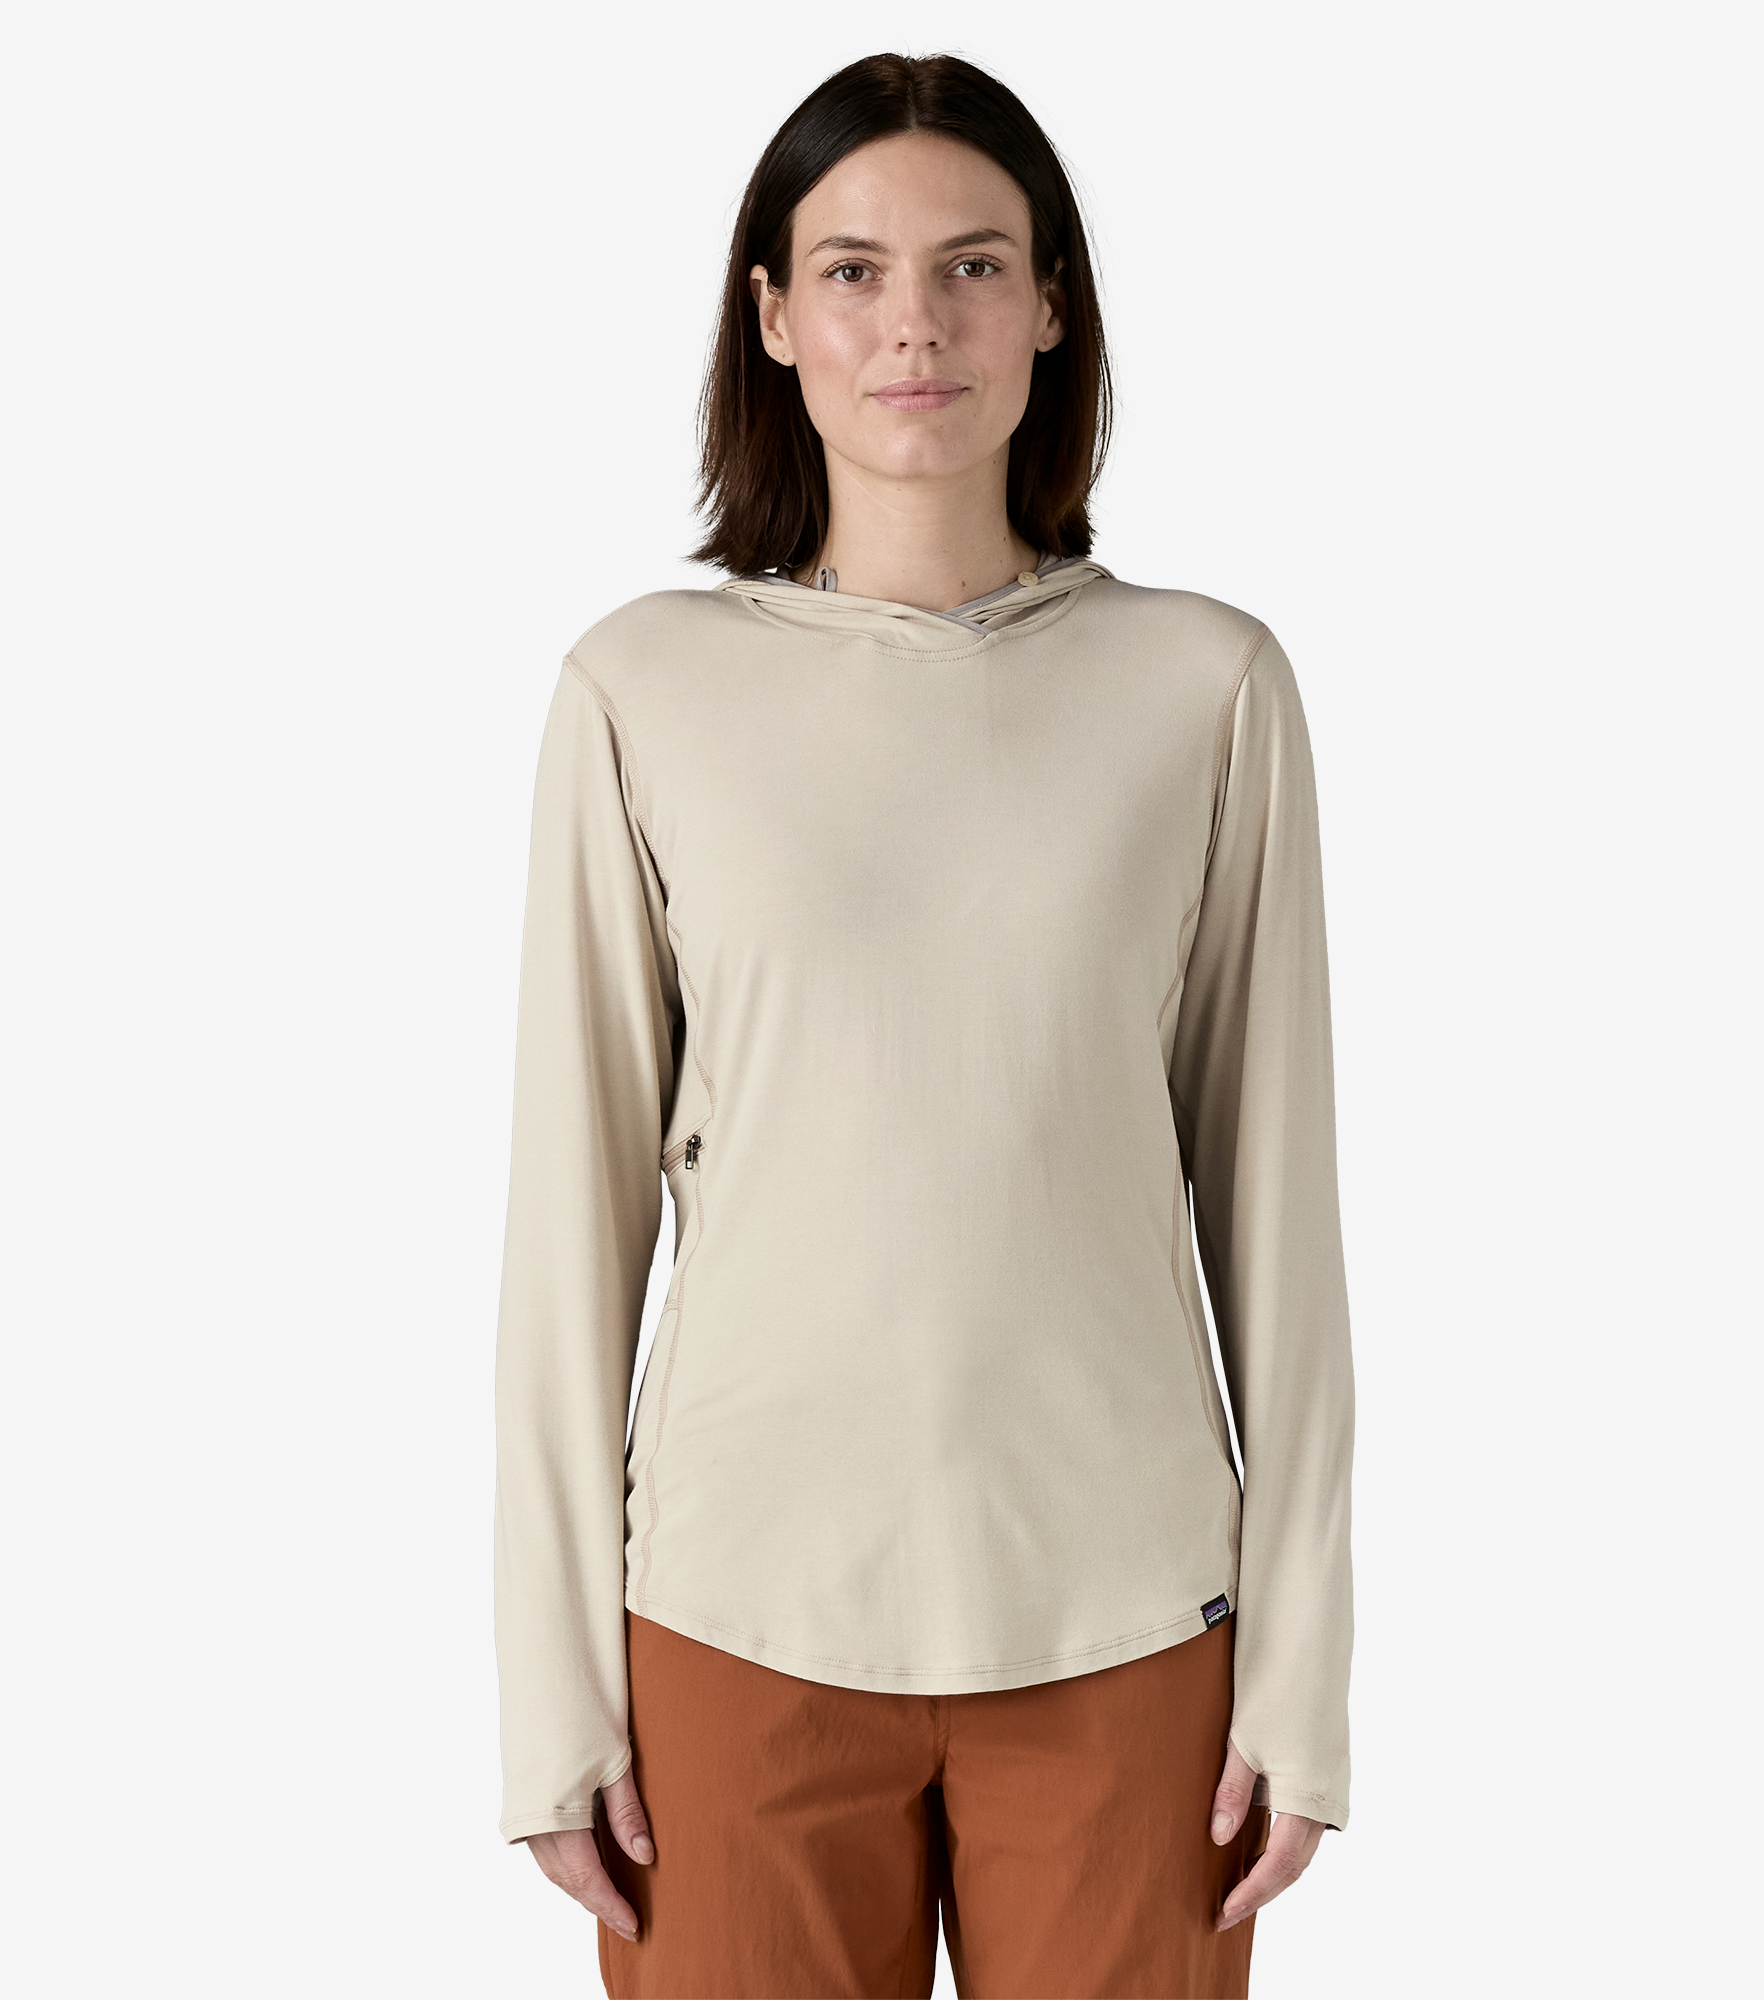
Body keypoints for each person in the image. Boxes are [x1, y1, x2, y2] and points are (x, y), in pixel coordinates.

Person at [493, 51, 1355, 1999]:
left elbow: (1278, 1215)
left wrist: (1301, 1670)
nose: (915, 324)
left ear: (1050, 308)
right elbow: (568, 1231)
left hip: (1130, 1621)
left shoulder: (1204, 687)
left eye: (974, 266)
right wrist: (553, 1690)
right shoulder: (641, 692)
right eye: (855, 270)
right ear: (771, 314)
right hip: (732, 1622)